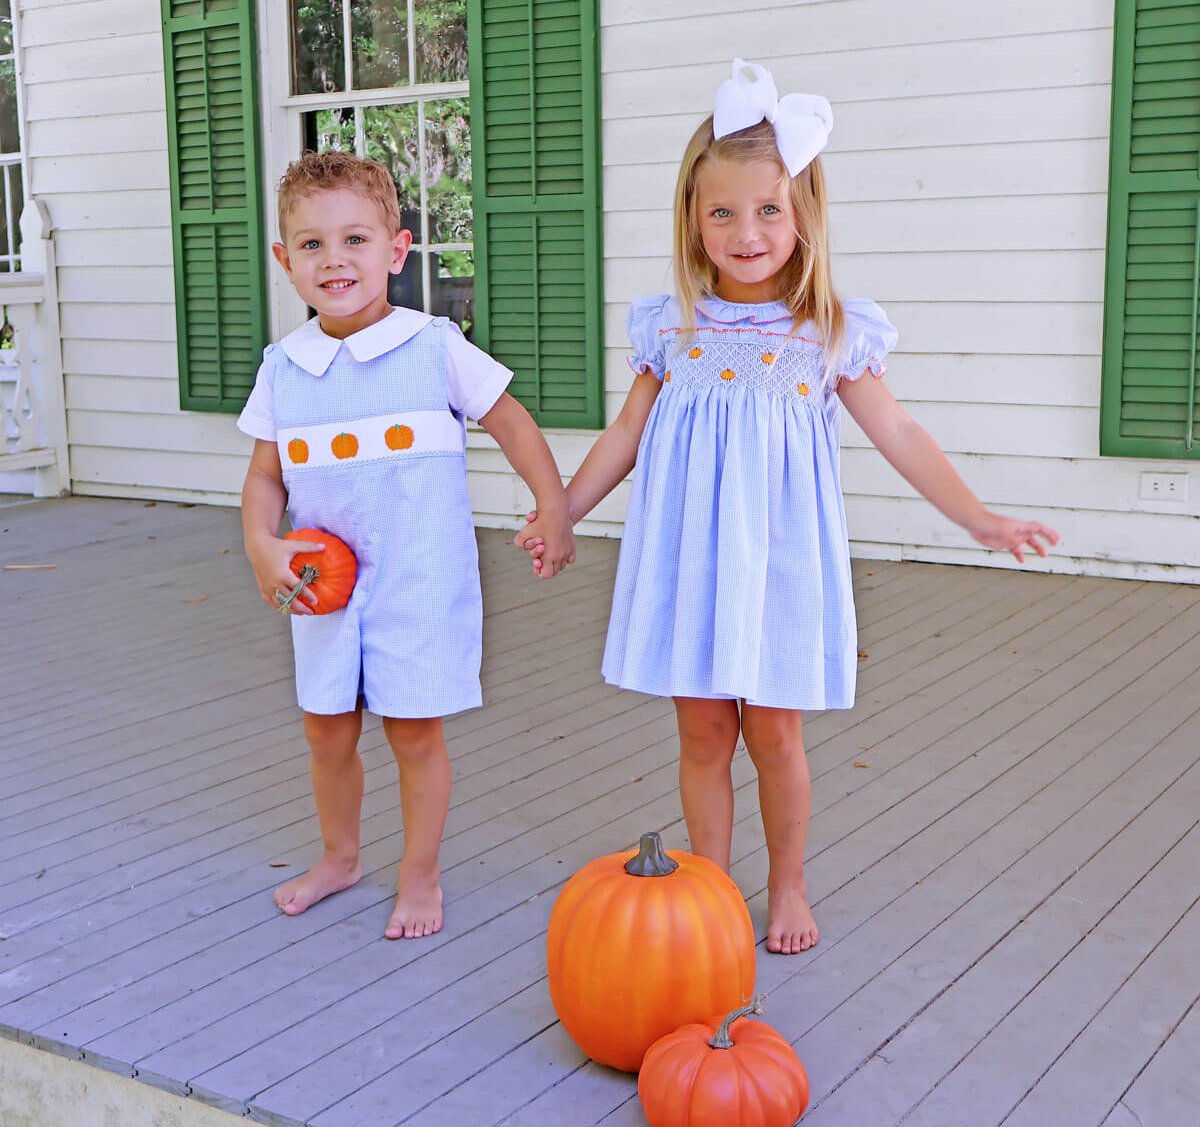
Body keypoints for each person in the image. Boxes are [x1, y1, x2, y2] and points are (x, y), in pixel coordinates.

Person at [517, 60, 1058, 954]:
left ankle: (790, 885)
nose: (745, 230)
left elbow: (901, 433)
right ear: (693, 218)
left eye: (769, 209)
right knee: (700, 732)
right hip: (693, 556)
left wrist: (978, 518)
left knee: (773, 735)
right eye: (722, 211)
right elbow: (623, 438)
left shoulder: (831, 331)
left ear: (804, 214)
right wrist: (563, 510)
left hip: (779, 561)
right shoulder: (672, 325)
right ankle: (715, 891)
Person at [239, 151, 574, 939]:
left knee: (414, 733)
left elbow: (513, 423)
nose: (335, 260)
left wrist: (552, 505)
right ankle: (341, 856)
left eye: (355, 239)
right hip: (324, 589)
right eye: (312, 245)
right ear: (286, 261)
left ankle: (420, 874)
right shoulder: (285, 369)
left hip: (418, 581)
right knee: (327, 728)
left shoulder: (432, 346)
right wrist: (260, 541)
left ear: (396, 249)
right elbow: (264, 476)